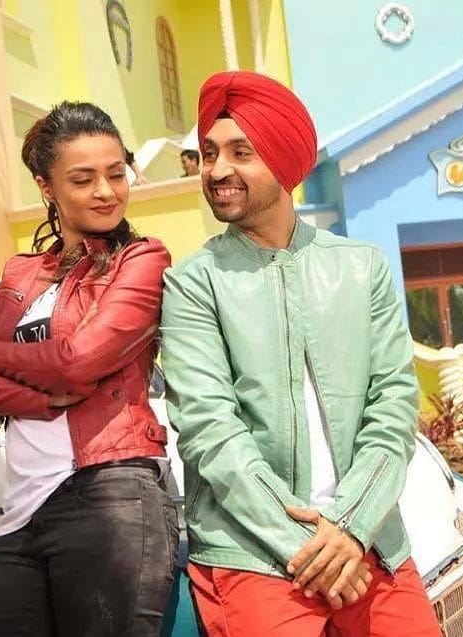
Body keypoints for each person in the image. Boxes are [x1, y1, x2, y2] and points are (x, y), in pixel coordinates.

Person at [160, 72, 440, 636]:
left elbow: (393, 408)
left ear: (286, 162)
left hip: (367, 539)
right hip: (251, 550)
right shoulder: (193, 283)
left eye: (241, 152)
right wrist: (309, 547)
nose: (217, 170)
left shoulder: (361, 267)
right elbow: (210, 431)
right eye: (209, 154)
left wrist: (351, 526)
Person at [0, 101, 177, 637]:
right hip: (25, 507)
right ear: (46, 187)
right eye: (83, 179)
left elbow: (77, 362)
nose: (106, 191)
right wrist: (42, 399)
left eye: (116, 174)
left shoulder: (141, 260)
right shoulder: (22, 274)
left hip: (110, 489)